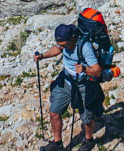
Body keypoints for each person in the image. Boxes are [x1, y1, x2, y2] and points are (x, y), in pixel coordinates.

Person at [34, 23, 104, 151]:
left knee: (86, 117)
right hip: (66, 80)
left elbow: (97, 70)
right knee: (54, 112)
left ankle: (89, 140)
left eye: (64, 44)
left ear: (72, 38)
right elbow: (57, 49)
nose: (62, 47)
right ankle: (57, 144)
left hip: (84, 84)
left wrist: (84, 69)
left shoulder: (84, 47)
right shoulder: (65, 43)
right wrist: (43, 56)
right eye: (60, 44)